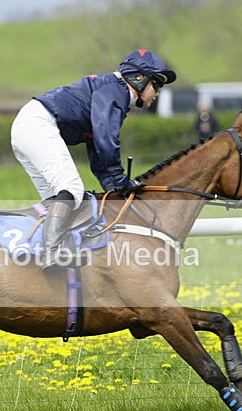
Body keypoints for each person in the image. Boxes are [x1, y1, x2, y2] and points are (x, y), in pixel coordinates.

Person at [11, 49, 176, 272]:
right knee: (71, 189)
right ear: (139, 79)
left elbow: (99, 151)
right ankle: (50, 254)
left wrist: (115, 186)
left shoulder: (112, 91)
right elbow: (106, 141)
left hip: (28, 125)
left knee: (56, 201)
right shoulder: (116, 93)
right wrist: (119, 179)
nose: (157, 93)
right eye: (156, 85)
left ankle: (44, 256)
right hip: (37, 124)